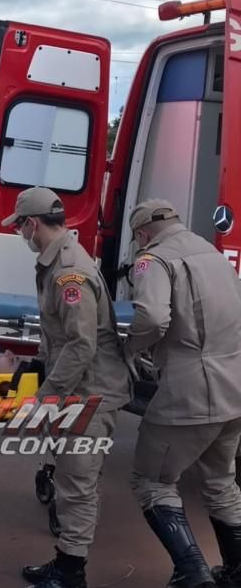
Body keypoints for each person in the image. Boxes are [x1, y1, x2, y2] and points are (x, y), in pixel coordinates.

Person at [1, 186, 130, 588]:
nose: (21, 233)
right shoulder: (59, 263)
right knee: (73, 480)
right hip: (81, 389)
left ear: (32, 223)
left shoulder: (68, 272)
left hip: (89, 392)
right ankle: (67, 564)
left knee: (77, 484)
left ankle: (71, 573)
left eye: (20, 225)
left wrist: (46, 397)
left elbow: (81, 344)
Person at [127, 199, 241, 588]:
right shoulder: (213, 254)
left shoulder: (153, 260)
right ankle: (237, 572)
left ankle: (192, 574)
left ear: (142, 234)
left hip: (191, 392)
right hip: (234, 389)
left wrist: (129, 349)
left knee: (152, 479)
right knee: (220, 482)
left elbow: (153, 318)